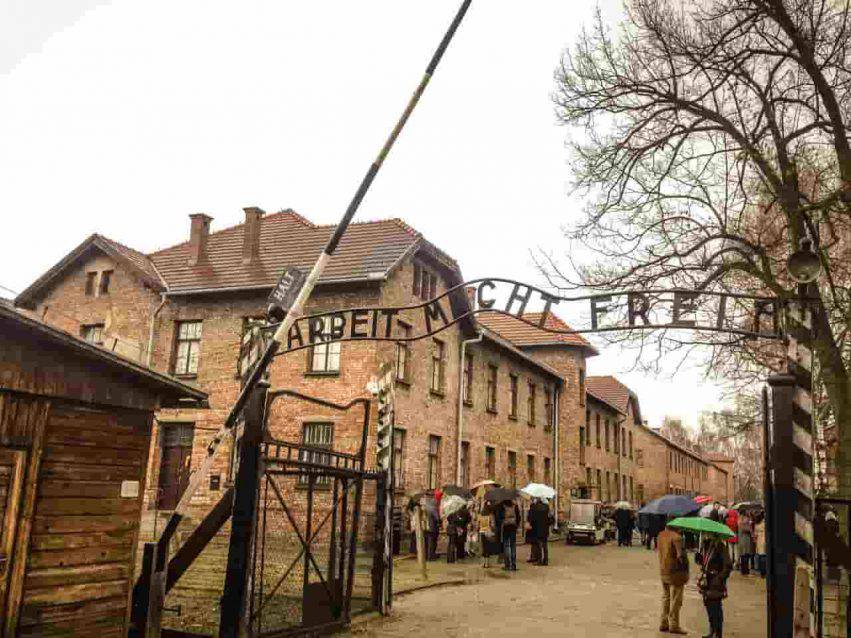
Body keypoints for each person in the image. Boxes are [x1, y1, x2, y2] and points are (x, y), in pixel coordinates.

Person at [658, 518, 690, 634]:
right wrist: (686, 566)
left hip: (664, 569)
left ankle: (664, 622)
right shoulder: (677, 538)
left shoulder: (661, 535)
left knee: (666, 597)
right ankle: (674, 624)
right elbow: (680, 556)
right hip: (676, 572)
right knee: (676, 598)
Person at [698, 535, 733, 638]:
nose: (706, 534)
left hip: (715, 581)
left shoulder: (720, 547)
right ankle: (712, 630)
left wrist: (720, 578)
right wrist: (699, 559)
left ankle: (718, 633)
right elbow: (706, 563)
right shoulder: (706, 545)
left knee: (715, 607)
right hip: (706, 581)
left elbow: (728, 565)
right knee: (708, 605)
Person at [527, 498, 552, 566]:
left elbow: (531, 518)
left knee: (539, 545)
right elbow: (550, 518)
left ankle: (539, 560)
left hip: (537, 529)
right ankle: (545, 560)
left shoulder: (535, 507)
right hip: (545, 529)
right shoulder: (547, 507)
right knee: (545, 545)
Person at [498, 499, 520, 571]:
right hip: (513, 527)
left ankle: (507, 564)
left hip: (506, 527)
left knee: (506, 546)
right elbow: (518, 517)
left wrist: (502, 522)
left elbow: (499, 517)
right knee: (513, 546)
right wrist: (516, 526)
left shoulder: (502, 506)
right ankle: (513, 565)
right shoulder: (515, 505)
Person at [477, 503, 497, 568]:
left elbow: (478, 525)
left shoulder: (480, 515)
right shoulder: (491, 516)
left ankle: (483, 563)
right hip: (488, 532)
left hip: (482, 532)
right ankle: (487, 563)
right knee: (488, 548)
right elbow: (493, 525)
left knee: (483, 547)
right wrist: (493, 529)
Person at [753, 512, 766, 578]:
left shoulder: (756, 525)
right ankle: (764, 571)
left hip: (759, 541)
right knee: (764, 556)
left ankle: (762, 572)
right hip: (765, 540)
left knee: (760, 557)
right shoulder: (765, 523)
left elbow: (755, 535)